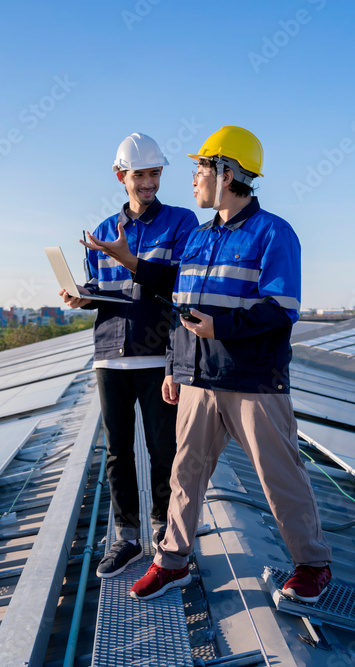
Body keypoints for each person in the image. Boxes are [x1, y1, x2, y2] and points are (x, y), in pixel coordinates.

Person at [124, 126, 333, 602]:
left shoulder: (274, 233)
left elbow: (282, 307)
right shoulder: (198, 238)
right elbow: (179, 306)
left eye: (200, 168)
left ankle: (312, 564)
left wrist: (220, 328)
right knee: (185, 474)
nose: (194, 178)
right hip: (197, 378)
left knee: (279, 473)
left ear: (227, 172)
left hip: (253, 380)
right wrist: (174, 368)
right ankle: (171, 561)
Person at [60, 132, 198, 579]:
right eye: (140, 175)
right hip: (109, 357)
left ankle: (163, 533)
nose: (149, 183)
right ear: (121, 176)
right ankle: (125, 538)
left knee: (164, 449)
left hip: (157, 356)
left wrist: (132, 260)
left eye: (155, 174)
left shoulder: (181, 223)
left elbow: (181, 284)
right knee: (117, 452)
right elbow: (105, 295)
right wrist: (83, 298)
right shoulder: (101, 232)